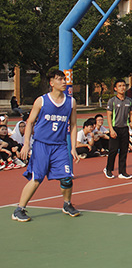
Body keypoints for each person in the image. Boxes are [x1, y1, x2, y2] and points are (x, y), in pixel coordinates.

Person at [12, 70, 80, 221]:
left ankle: (67, 204)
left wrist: (73, 147)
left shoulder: (71, 102)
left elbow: (74, 125)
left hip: (60, 146)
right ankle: (19, 209)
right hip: (42, 145)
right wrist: (26, 144)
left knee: (67, 178)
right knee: (37, 178)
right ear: (51, 83)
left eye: (64, 79)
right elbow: (30, 122)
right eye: (59, 79)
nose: (64, 82)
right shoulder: (41, 101)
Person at [103, 79, 132, 180]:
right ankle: (108, 169)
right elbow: (109, 116)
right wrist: (111, 129)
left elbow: (131, 115)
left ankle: (122, 172)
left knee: (124, 151)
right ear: (115, 88)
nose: (122, 87)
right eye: (120, 86)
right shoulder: (112, 101)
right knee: (113, 150)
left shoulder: (129, 101)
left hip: (124, 129)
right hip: (115, 128)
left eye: (123, 85)